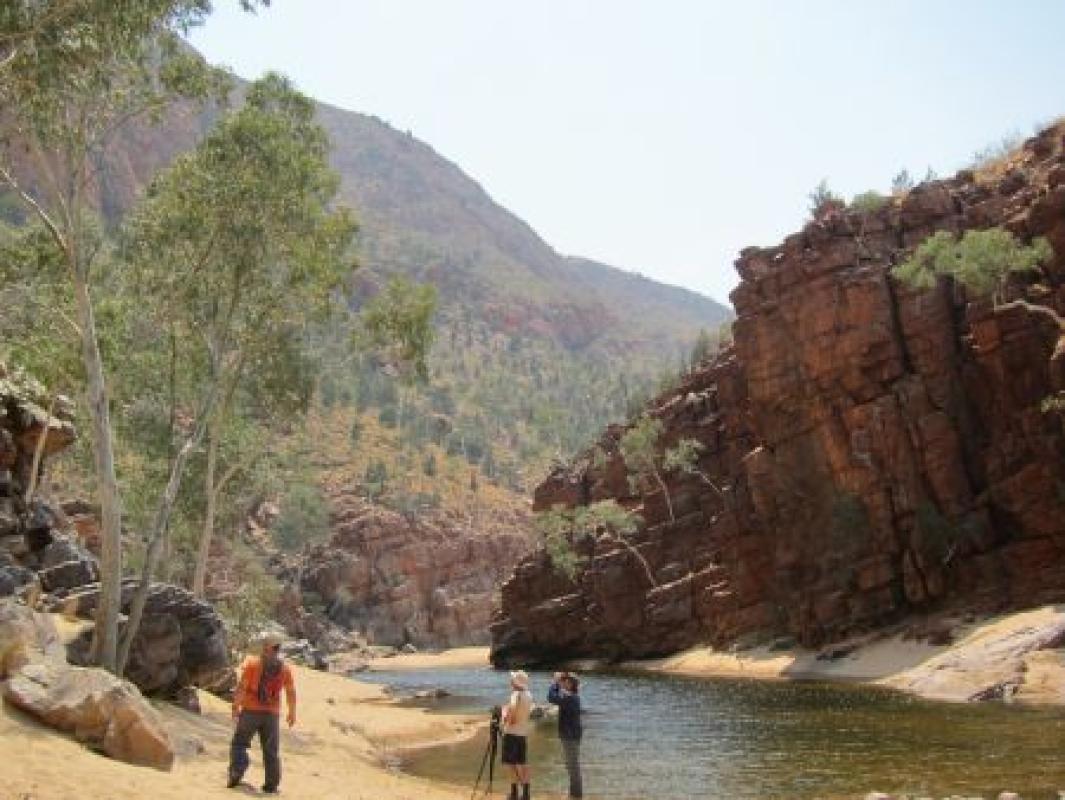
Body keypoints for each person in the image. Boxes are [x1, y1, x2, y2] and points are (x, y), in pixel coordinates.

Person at [227, 632, 297, 793]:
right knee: (271, 750)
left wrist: (235, 706)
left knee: (239, 743)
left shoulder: (252, 664)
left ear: (266, 647)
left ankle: (236, 771)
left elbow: (242, 688)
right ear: (278, 648)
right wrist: (292, 712)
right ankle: (271, 786)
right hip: (272, 715)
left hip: (251, 711)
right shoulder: (285, 669)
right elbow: (290, 692)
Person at [547, 671, 583, 799]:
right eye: (563, 681)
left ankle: (576, 794)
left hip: (570, 736)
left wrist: (555, 683)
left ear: (571, 684)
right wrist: (557, 683)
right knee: (571, 764)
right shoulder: (570, 696)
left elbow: (551, 697)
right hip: (570, 735)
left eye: (566, 681)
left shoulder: (570, 698)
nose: (563, 682)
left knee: (573, 765)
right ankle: (574, 793)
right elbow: (556, 696)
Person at [501, 669, 534, 800]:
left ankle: (514, 793)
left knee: (511, 764)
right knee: (522, 763)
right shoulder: (528, 694)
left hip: (512, 733)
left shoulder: (516, 694)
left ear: (516, 682)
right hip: (522, 734)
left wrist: (504, 716)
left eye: (512, 679)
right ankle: (526, 794)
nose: (510, 681)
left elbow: (513, 715)